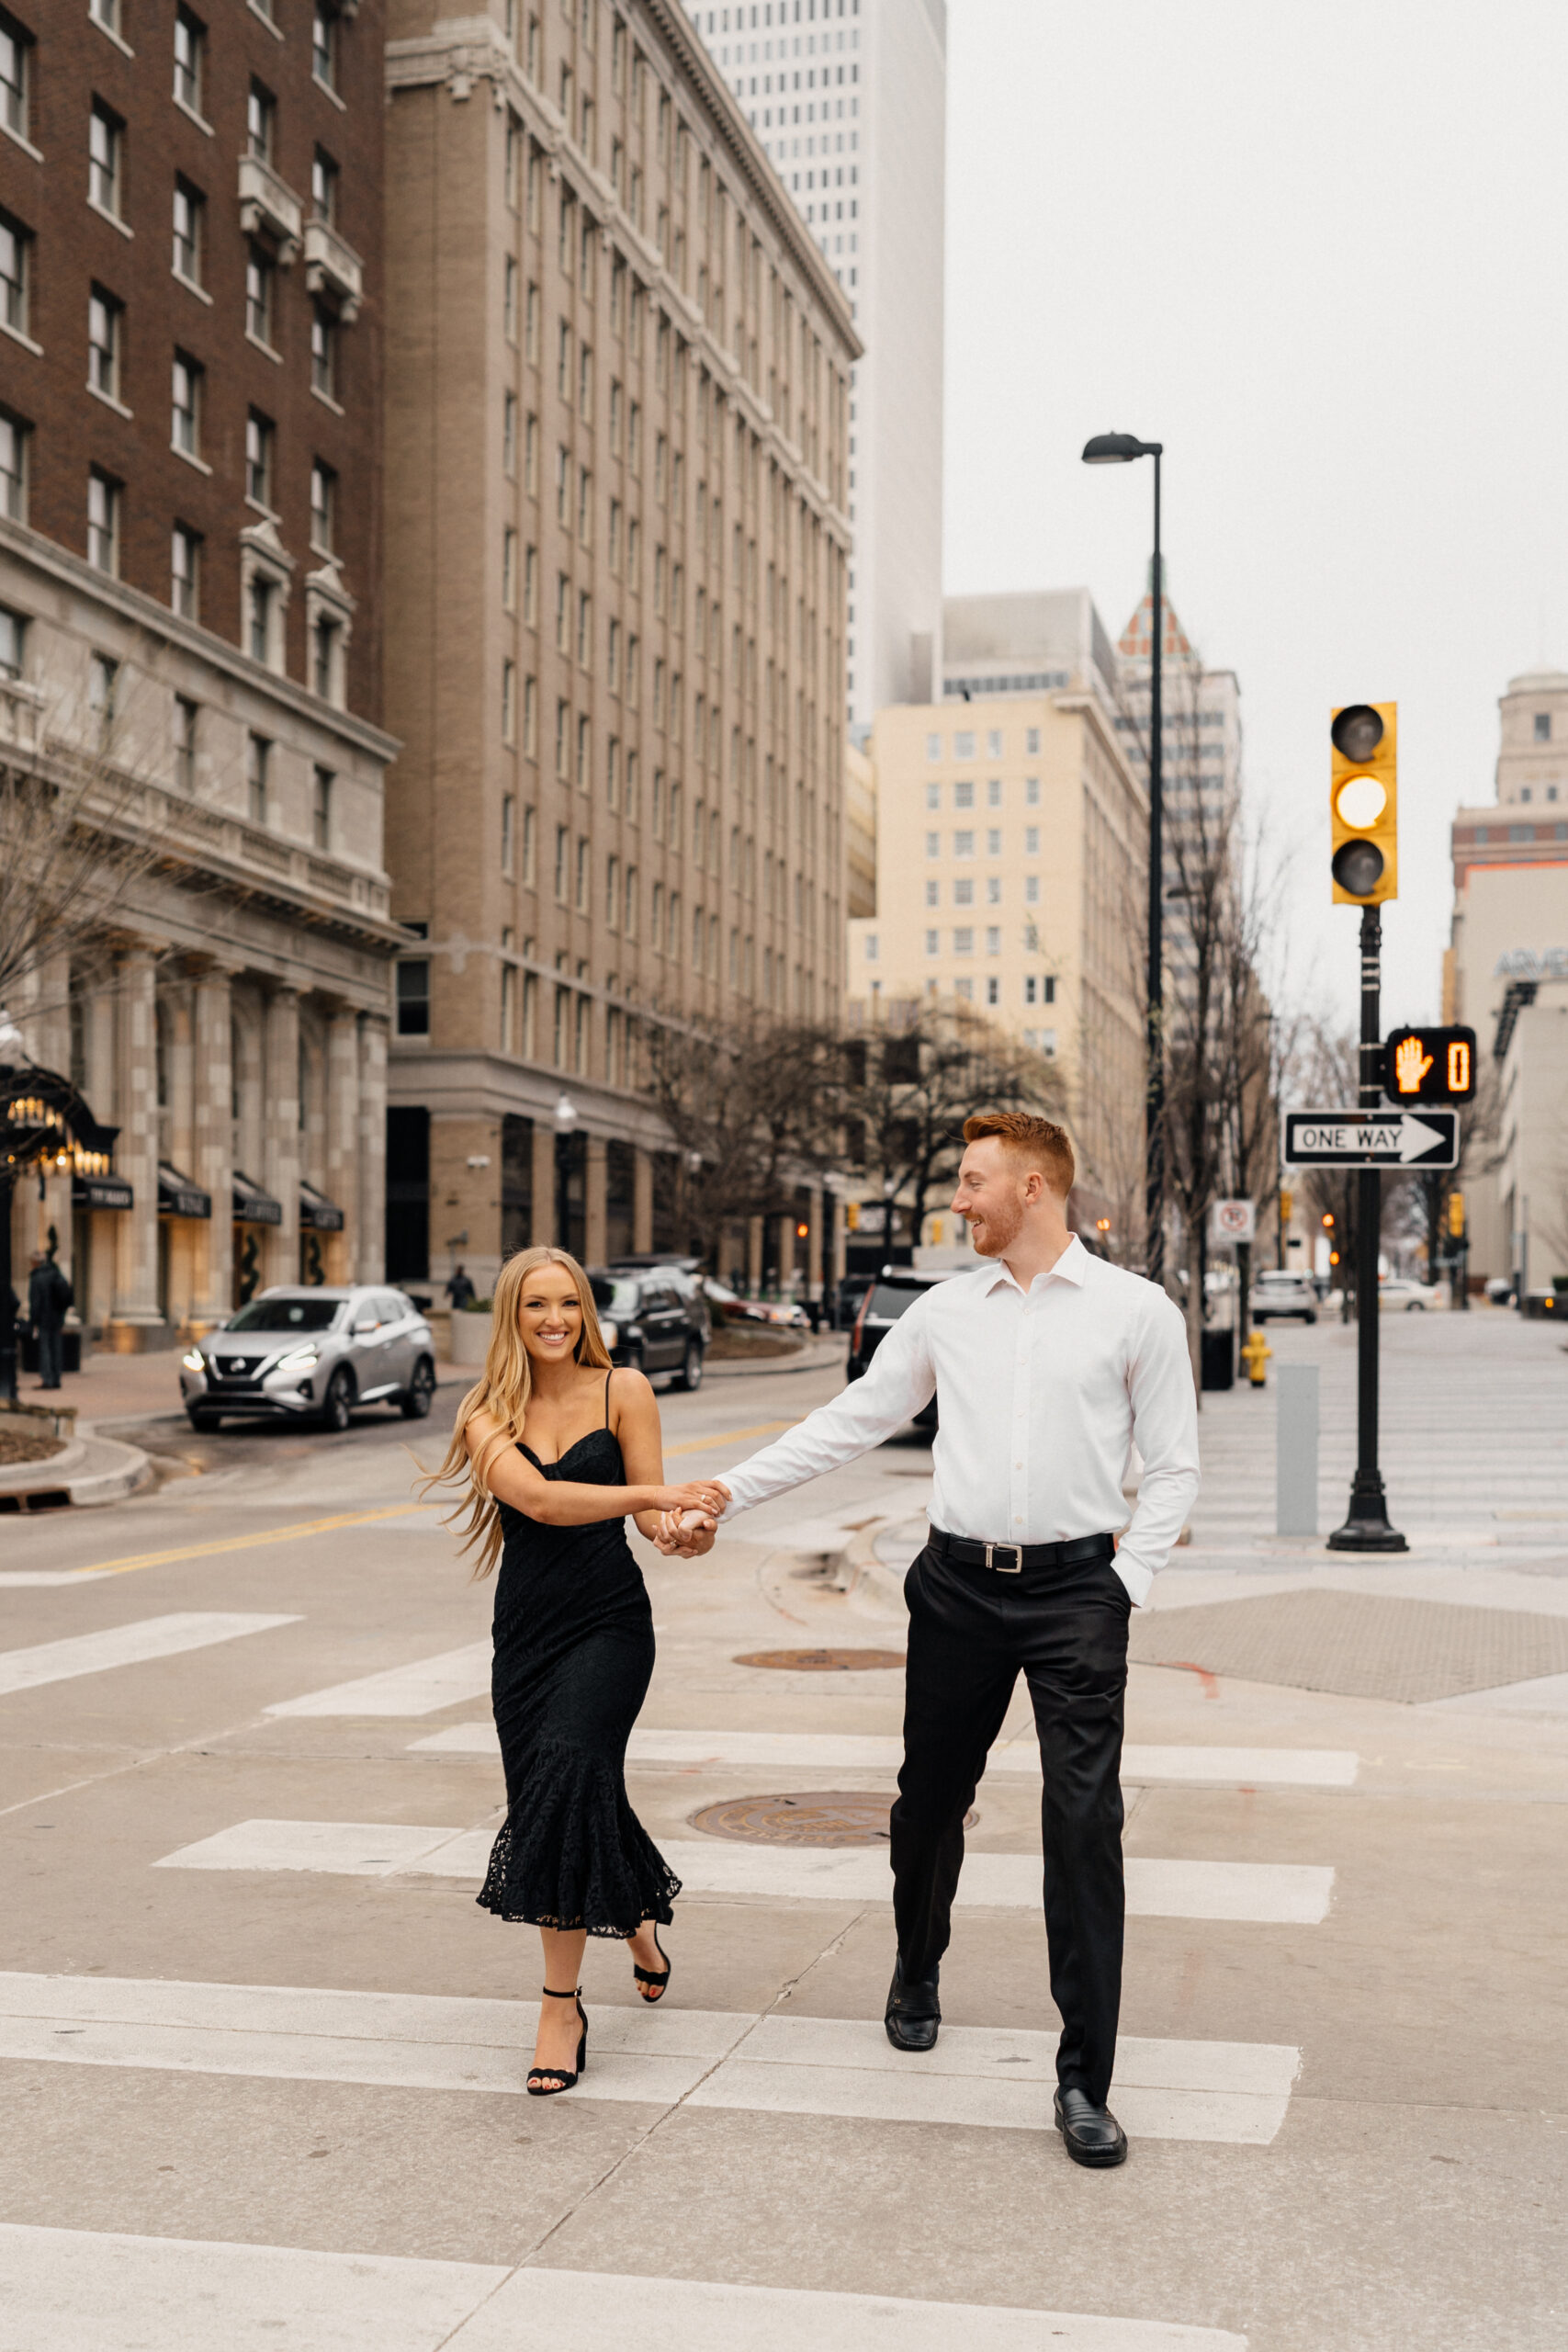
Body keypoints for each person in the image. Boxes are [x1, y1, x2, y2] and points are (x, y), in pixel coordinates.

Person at [659, 1113, 1199, 2169]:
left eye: (972, 1180)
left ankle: (1085, 2078)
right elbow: (850, 1420)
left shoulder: (1138, 1311)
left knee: (1085, 1822)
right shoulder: (947, 1312)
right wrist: (724, 1489)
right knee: (928, 1802)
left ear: (1034, 1187)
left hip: (1079, 1593)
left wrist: (1124, 1585)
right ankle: (918, 1960)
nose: (958, 1199)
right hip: (956, 1587)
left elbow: (1173, 1466)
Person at [422, 1245, 728, 2096]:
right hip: (525, 1636)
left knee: (567, 1772)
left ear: (585, 1312)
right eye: (533, 1306)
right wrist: (652, 1501)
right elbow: (544, 1502)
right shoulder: (485, 1410)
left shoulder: (623, 1389)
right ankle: (633, 1922)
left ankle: (561, 2006)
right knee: (563, 1799)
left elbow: (655, 1523)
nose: (552, 1319)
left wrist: (683, 1530)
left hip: (610, 1626)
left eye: (566, 1303)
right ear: (510, 1318)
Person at [28, 1250, 73, 1392]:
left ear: (35, 1263)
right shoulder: (55, 1273)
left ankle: (47, 1379)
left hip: (44, 1318)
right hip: (57, 1318)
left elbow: (35, 1302)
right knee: (56, 1348)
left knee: (45, 1348)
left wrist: (32, 1321)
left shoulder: (37, 1278)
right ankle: (56, 1378)